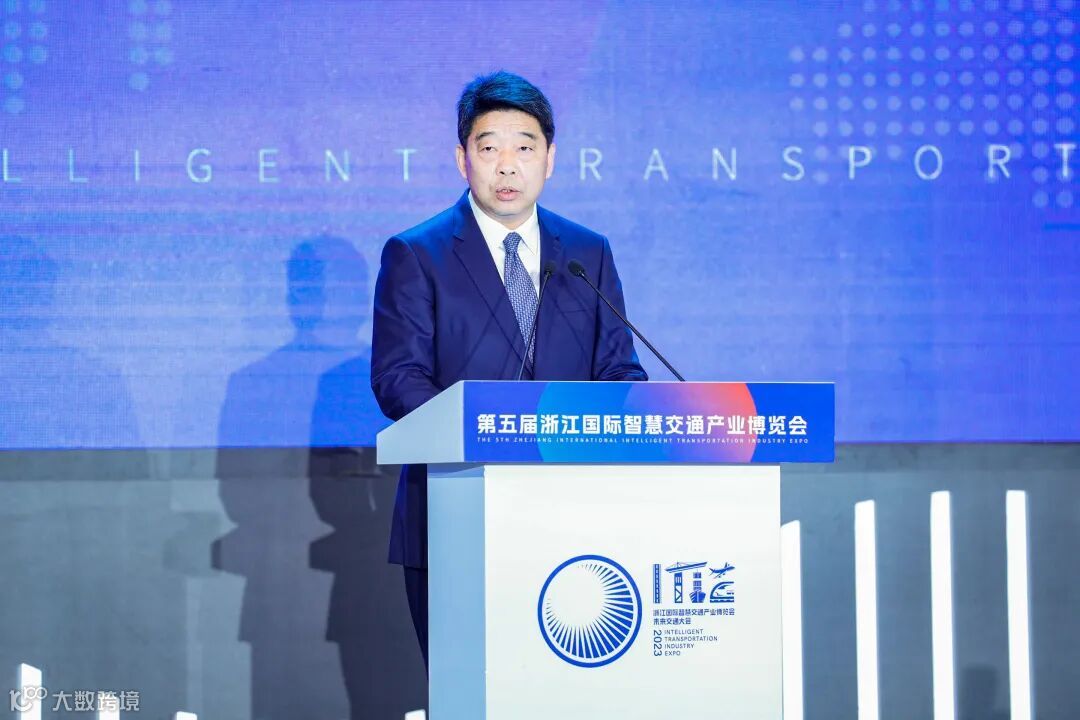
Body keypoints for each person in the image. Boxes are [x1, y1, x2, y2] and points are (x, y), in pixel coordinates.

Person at [370, 71, 648, 666]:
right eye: (489, 147)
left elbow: (619, 371)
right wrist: (493, 431)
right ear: (461, 159)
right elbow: (398, 379)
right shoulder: (417, 253)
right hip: (455, 509)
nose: (507, 166)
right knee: (469, 688)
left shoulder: (588, 252)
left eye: (524, 147)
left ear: (550, 159)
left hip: (574, 521)